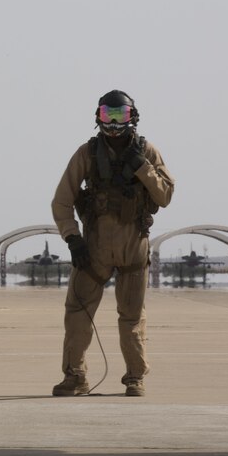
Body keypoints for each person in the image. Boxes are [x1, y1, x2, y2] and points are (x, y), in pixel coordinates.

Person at [51, 90, 175, 397]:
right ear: (98, 117)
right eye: (109, 116)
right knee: (78, 313)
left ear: (133, 117)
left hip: (134, 246)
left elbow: (165, 196)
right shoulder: (87, 154)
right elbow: (62, 200)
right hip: (93, 250)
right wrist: (72, 238)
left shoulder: (147, 151)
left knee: (132, 317)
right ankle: (75, 376)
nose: (115, 123)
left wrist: (143, 168)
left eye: (121, 115)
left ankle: (135, 377)